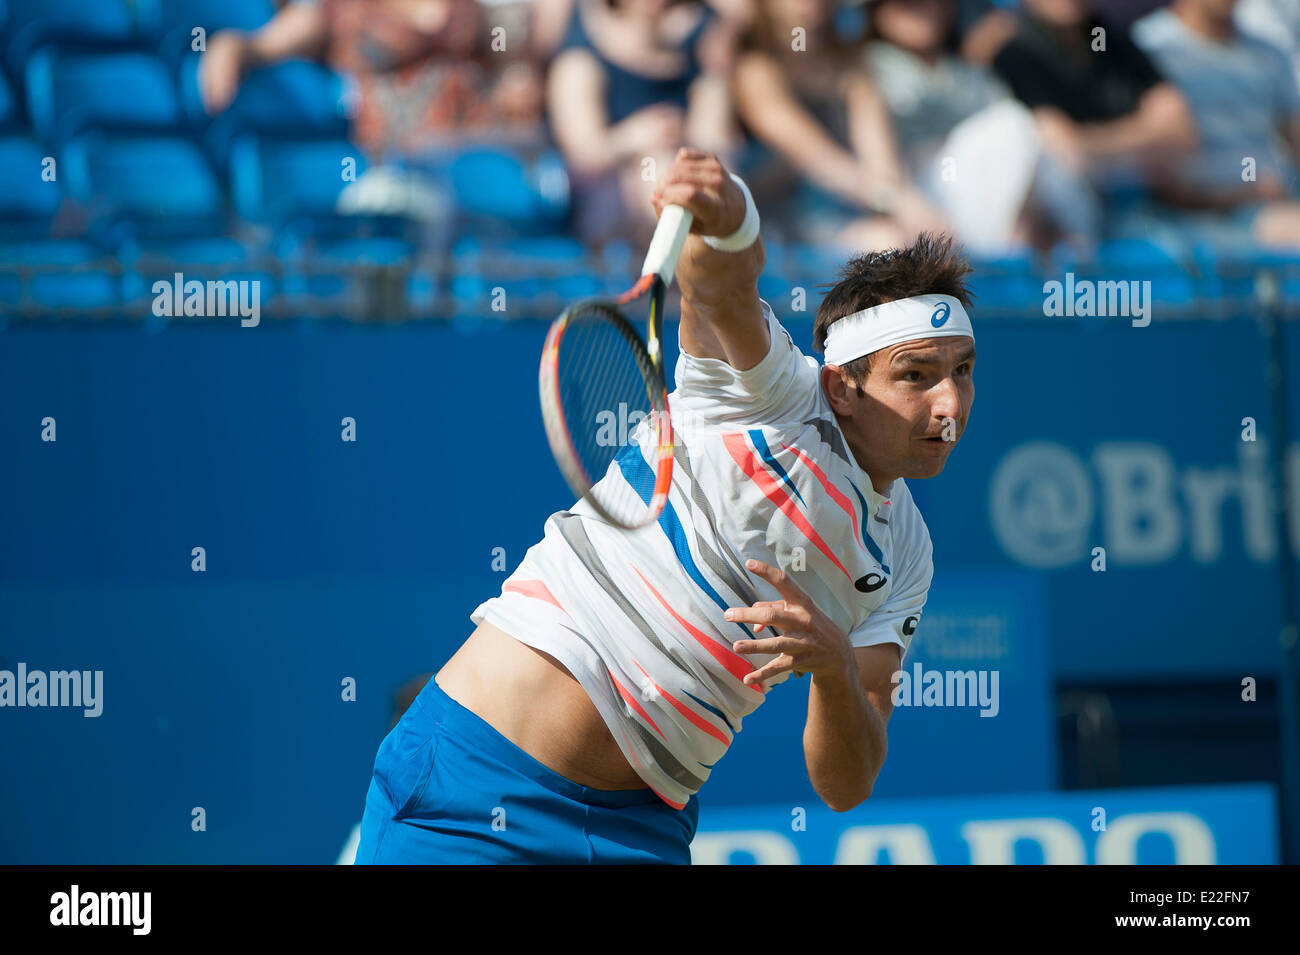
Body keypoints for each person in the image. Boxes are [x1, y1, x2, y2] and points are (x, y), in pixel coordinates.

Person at [354, 147, 977, 864]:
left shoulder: (908, 554)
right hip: (473, 790)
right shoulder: (772, 395)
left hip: (641, 831)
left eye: (962, 372)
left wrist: (836, 667)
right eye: (916, 375)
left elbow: (847, 782)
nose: (949, 404)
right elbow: (720, 287)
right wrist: (728, 208)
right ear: (841, 385)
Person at [732, 0, 950, 250]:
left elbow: (881, 163)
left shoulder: (851, 66)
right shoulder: (755, 70)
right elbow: (816, 157)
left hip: (852, 209)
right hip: (779, 227)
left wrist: (905, 206)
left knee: (924, 242)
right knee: (887, 245)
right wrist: (896, 202)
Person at [989, 0, 1198, 249]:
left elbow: (1182, 134)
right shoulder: (1016, 54)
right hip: (1068, 241)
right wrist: (1144, 137)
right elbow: (1066, 151)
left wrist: (1092, 143)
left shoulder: (1115, 42)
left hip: (1148, 218)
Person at [546, 0, 742, 247]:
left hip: (684, 191)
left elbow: (716, 144)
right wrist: (635, 137)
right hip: (608, 200)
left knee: (692, 179)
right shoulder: (580, 57)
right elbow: (582, 155)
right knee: (657, 172)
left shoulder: (702, 48)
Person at [862, 0, 1048, 253]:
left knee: (1026, 131)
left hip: (976, 206)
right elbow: (875, 170)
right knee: (1012, 123)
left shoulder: (970, 73)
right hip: (907, 196)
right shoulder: (864, 67)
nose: (923, 11)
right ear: (876, 10)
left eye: (934, 3)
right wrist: (902, 203)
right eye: (906, 4)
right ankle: (992, 258)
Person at [1129, 0, 1300, 249]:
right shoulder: (1146, 47)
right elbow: (1152, 166)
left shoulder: (1271, 53)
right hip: (1187, 222)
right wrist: (1233, 197)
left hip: (1273, 209)